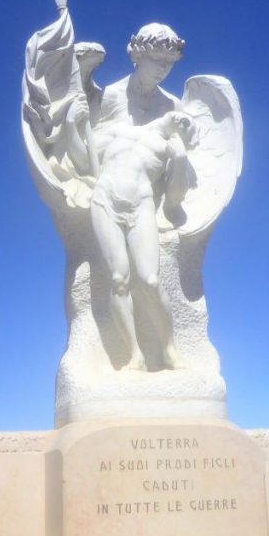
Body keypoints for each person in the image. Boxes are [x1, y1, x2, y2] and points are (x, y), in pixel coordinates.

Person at [90, 111, 196, 370]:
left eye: (187, 125)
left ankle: (169, 348)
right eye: (183, 117)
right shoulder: (119, 128)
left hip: (141, 204)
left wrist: (180, 158)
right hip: (105, 198)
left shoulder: (167, 148)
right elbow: (84, 157)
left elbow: (175, 197)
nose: (183, 121)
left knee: (150, 280)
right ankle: (135, 355)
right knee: (118, 279)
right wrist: (71, 124)